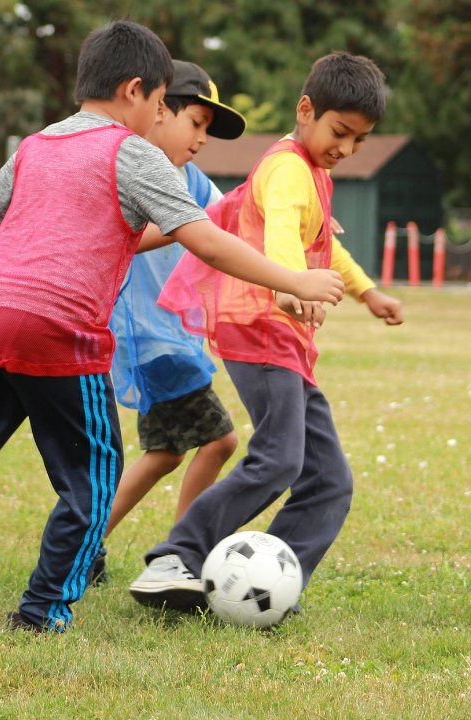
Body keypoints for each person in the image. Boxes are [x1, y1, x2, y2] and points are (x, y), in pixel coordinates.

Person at [0, 21, 344, 634]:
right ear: (135, 91)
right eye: (161, 104)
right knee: (95, 479)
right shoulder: (132, 152)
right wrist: (294, 281)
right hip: (57, 328)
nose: (160, 119)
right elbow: (203, 244)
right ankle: (43, 609)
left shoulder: (36, 145)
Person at [129, 51, 404, 613]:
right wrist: (289, 285)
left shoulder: (314, 174)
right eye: (339, 132)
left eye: (359, 141)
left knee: (329, 479)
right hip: (260, 327)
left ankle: (277, 585)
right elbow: (281, 228)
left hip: (286, 339)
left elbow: (324, 242)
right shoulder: (286, 169)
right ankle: (176, 556)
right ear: (307, 109)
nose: (346, 149)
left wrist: (367, 291)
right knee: (279, 459)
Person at [93, 60, 246, 584]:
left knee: (163, 453)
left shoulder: (193, 181)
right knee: (220, 441)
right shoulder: (131, 172)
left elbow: (234, 221)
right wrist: (187, 228)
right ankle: (181, 554)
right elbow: (128, 238)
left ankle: (85, 544)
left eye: (208, 128)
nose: (202, 138)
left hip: (169, 340)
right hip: (146, 339)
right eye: (196, 122)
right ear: (159, 110)